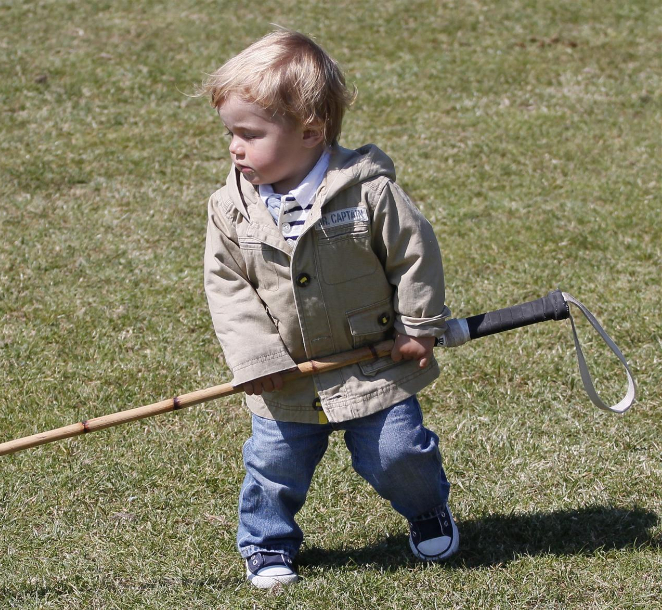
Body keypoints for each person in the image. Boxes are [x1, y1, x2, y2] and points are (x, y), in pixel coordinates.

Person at [200, 30, 458, 588]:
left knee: (399, 453)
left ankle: (427, 509)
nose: (234, 147)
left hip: (374, 363)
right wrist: (256, 358)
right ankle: (267, 545)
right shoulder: (231, 210)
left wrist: (418, 326)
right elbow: (227, 287)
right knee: (274, 467)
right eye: (230, 133)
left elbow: (414, 257)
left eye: (249, 134)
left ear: (311, 133)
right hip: (286, 377)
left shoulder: (368, 193)